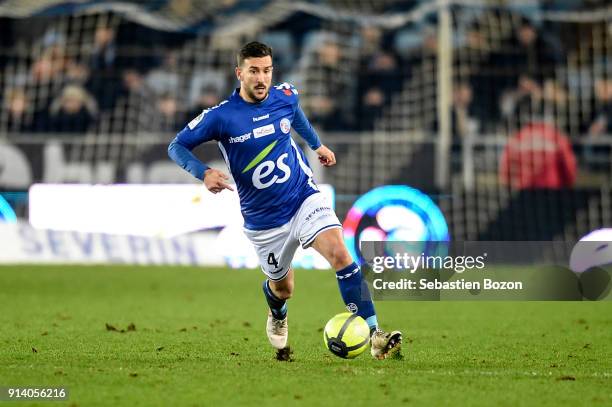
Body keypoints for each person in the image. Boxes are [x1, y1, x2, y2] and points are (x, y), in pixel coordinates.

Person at [168, 41, 401, 359]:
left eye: (266, 70)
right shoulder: (221, 117)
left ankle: (375, 334)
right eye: (253, 71)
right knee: (283, 288)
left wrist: (317, 145)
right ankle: (277, 312)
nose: (261, 78)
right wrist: (203, 171)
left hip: (302, 197)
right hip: (264, 222)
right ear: (240, 73)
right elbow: (177, 146)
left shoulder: (285, 95)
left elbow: (296, 116)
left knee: (339, 253)